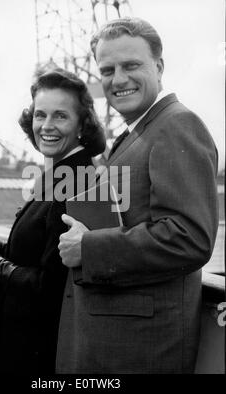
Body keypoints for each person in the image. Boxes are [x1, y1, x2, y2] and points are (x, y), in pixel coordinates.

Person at [57, 17, 219, 374]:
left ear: (159, 67)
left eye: (131, 65)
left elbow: (189, 238)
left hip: (140, 350)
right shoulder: (139, 132)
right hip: (117, 341)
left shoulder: (177, 126)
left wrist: (89, 247)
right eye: (108, 69)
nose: (119, 79)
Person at [0, 68, 106, 374]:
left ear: (83, 124)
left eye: (60, 116)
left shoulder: (76, 180)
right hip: (26, 347)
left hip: (38, 357)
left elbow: (51, 288)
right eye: (40, 115)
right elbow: (45, 253)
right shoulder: (62, 173)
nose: (47, 126)